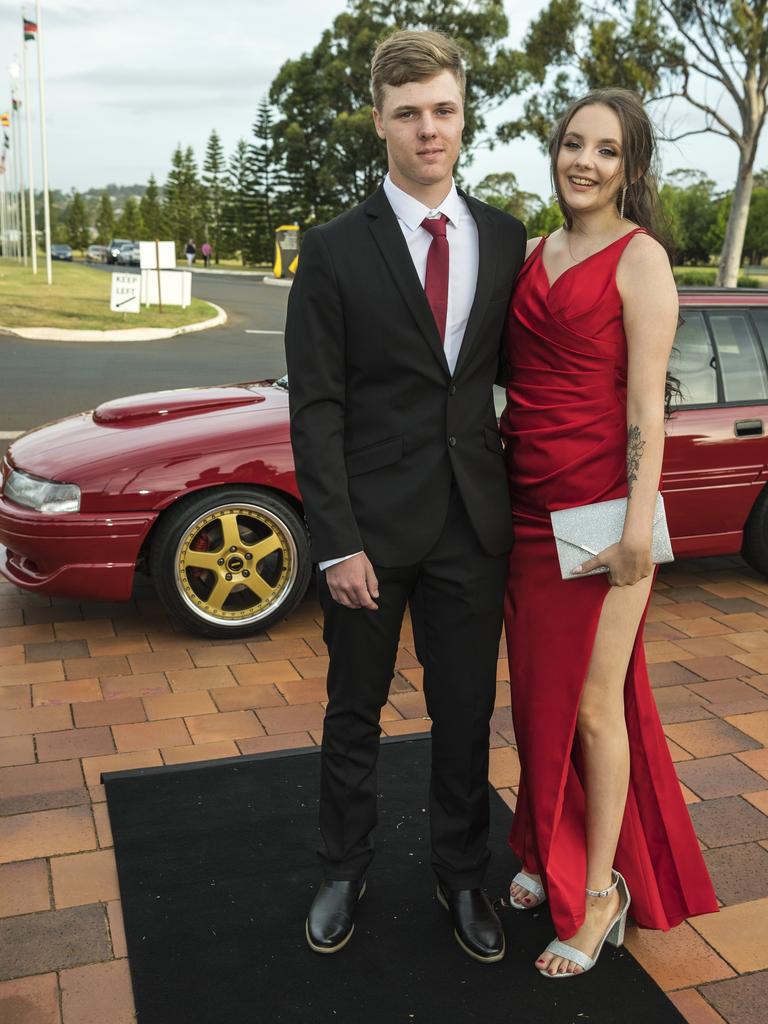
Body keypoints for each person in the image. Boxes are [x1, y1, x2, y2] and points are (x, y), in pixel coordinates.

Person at [284, 29, 526, 962]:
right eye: (410, 114)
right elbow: (318, 406)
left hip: (474, 524)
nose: (430, 130)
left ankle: (462, 877)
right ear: (380, 122)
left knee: (465, 714)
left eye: (445, 110)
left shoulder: (504, 238)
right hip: (371, 535)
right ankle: (343, 867)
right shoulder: (336, 248)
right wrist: (336, 542)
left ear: (464, 114)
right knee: (354, 709)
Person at [500, 88, 718, 978]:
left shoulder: (643, 261)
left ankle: (600, 894)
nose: (583, 162)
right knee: (538, 697)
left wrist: (636, 529)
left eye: (606, 150)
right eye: (572, 144)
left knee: (595, 705)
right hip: (524, 511)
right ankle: (539, 838)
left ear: (631, 167)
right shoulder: (530, 251)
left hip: (601, 517)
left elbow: (646, 410)